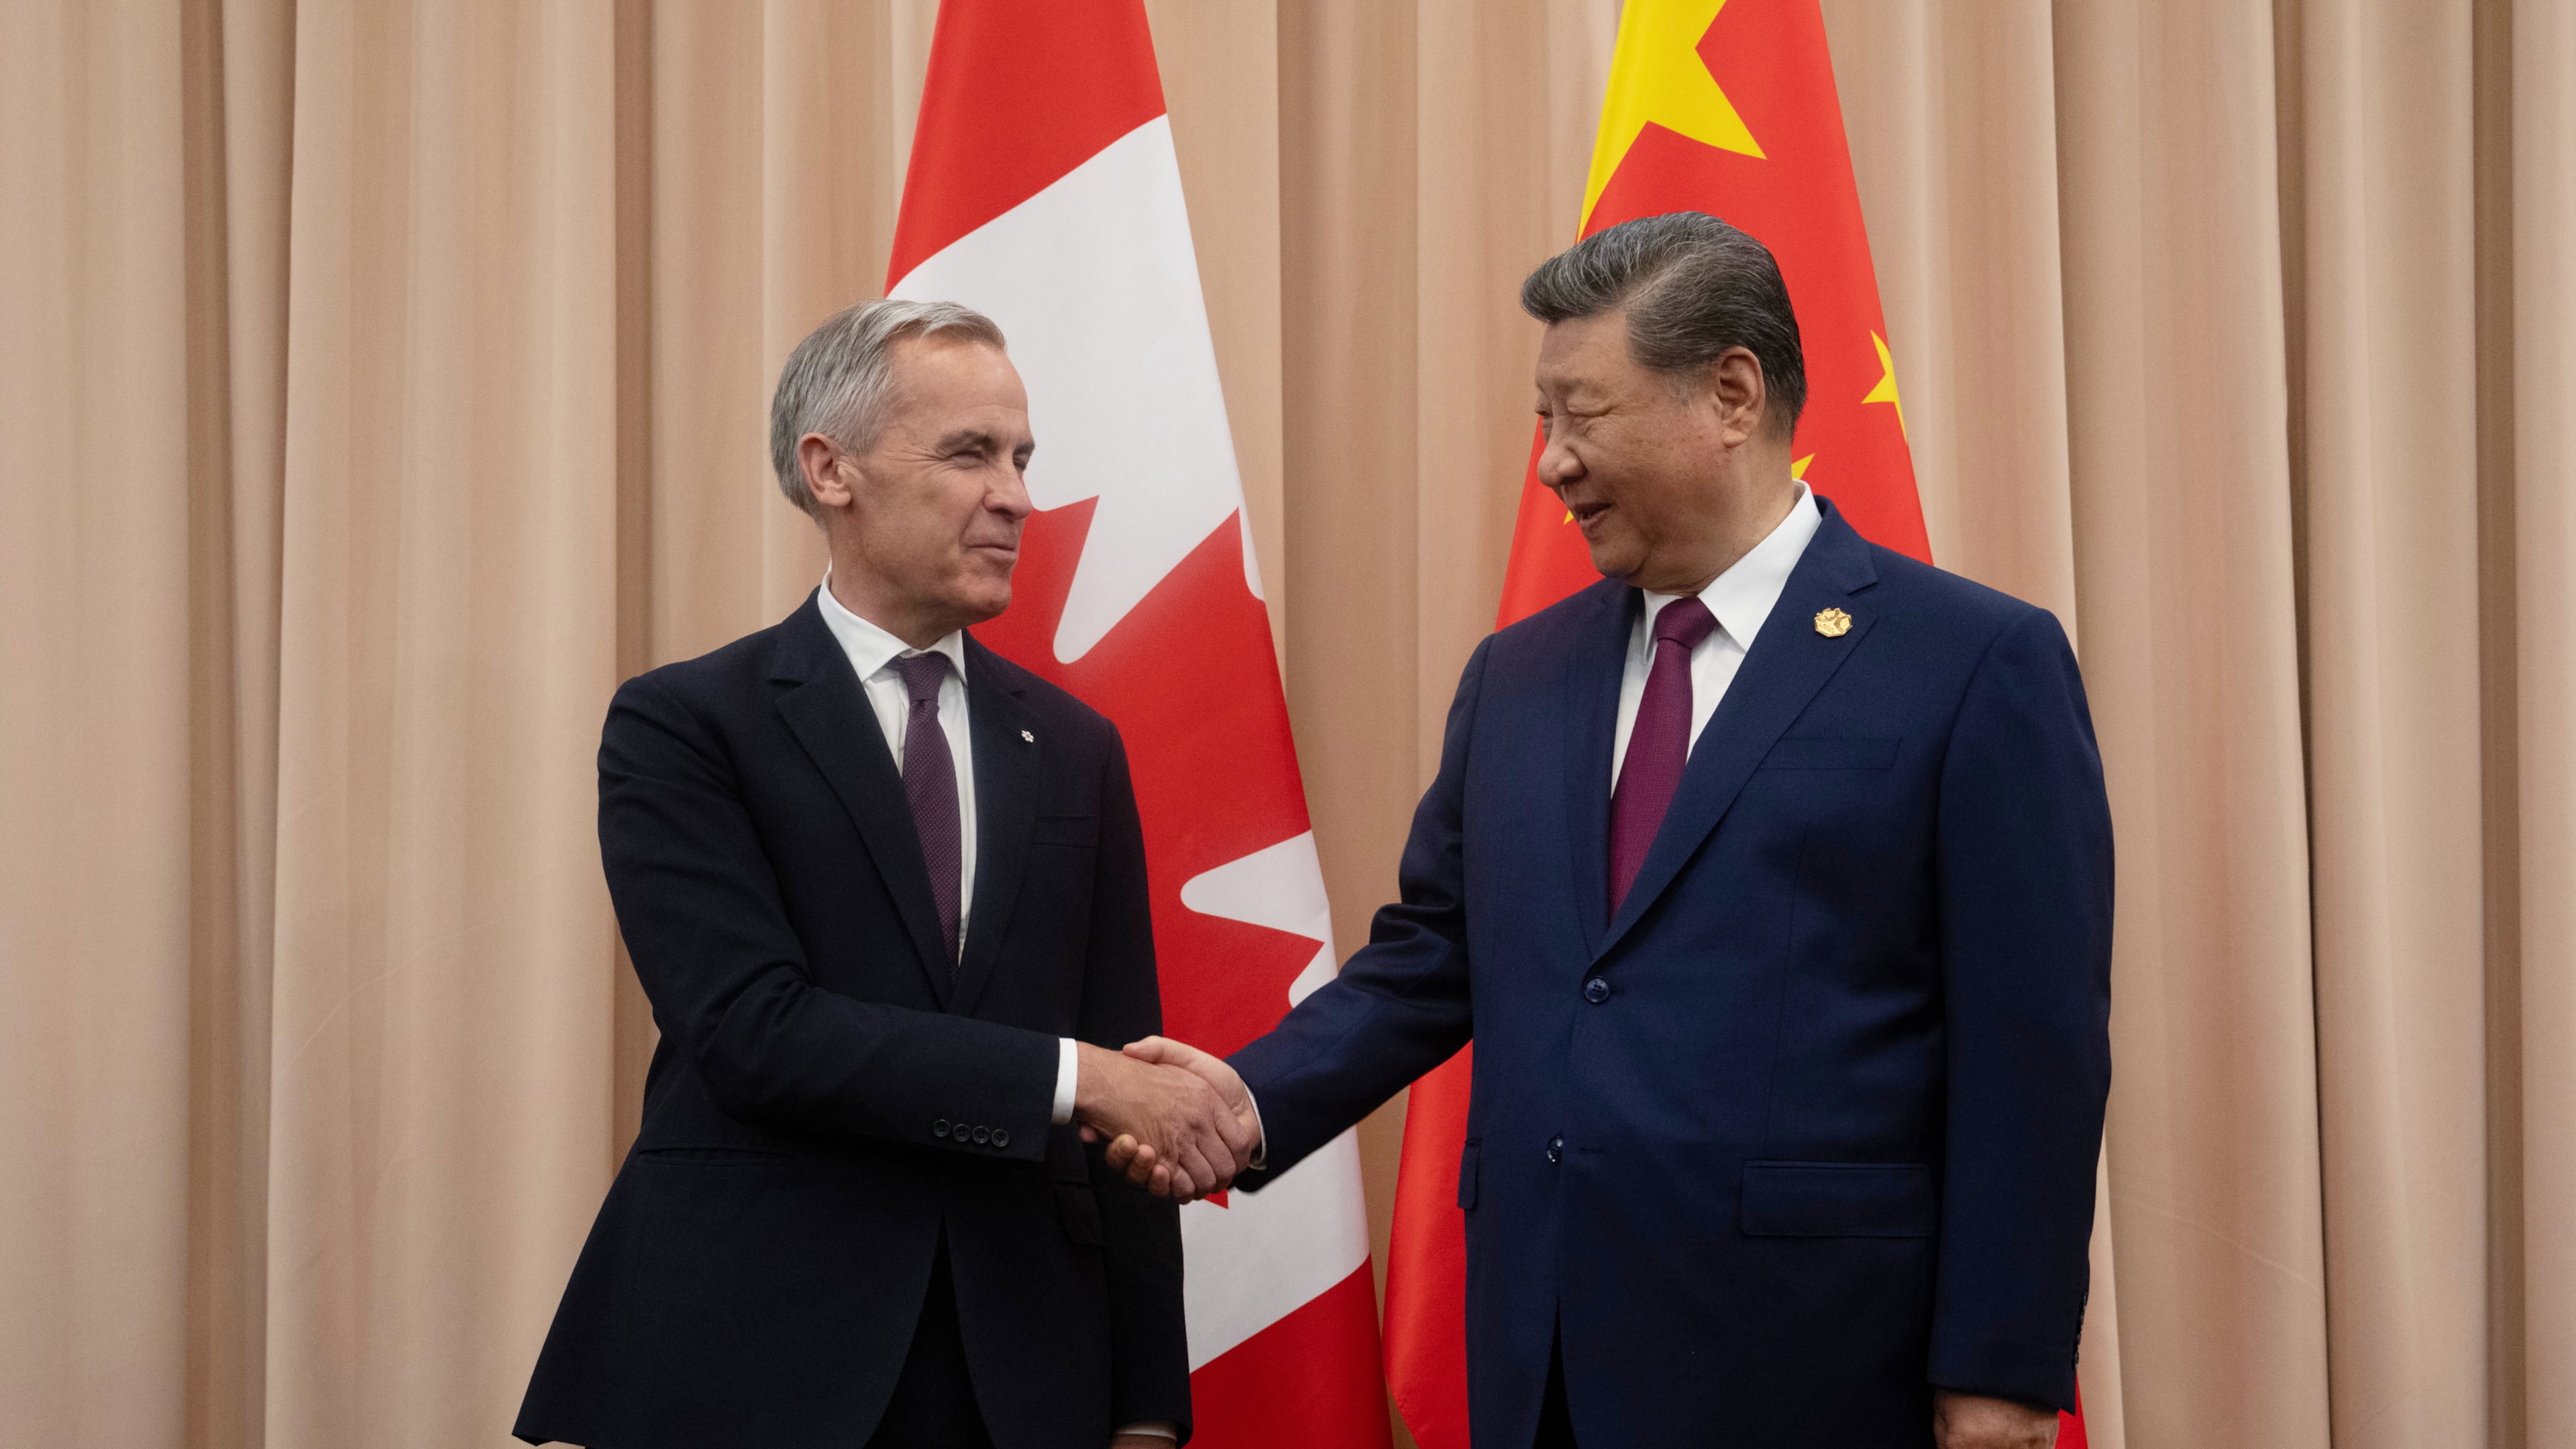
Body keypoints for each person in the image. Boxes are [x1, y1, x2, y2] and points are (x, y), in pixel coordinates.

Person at [1110, 214, 2112, 1449]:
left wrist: (2001, 1372)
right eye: (1544, 421)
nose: (1551, 465)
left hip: (1819, 1362)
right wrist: (1248, 1101)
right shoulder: (1519, 676)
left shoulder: (1970, 662)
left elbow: (2033, 1050)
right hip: (1549, 1363)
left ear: (1732, 395)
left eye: (1581, 417)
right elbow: (1433, 959)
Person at [515, 300, 1256, 1449]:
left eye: (1021, 458)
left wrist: (1150, 1407)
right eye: (970, 454)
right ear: (831, 471)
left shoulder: (1075, 749)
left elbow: (1129, 1079)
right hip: (751, 1353)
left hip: (1020, 1370)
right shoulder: (687, 726)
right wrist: (1078, 1079)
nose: (1016, 497)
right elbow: (753, 1033)